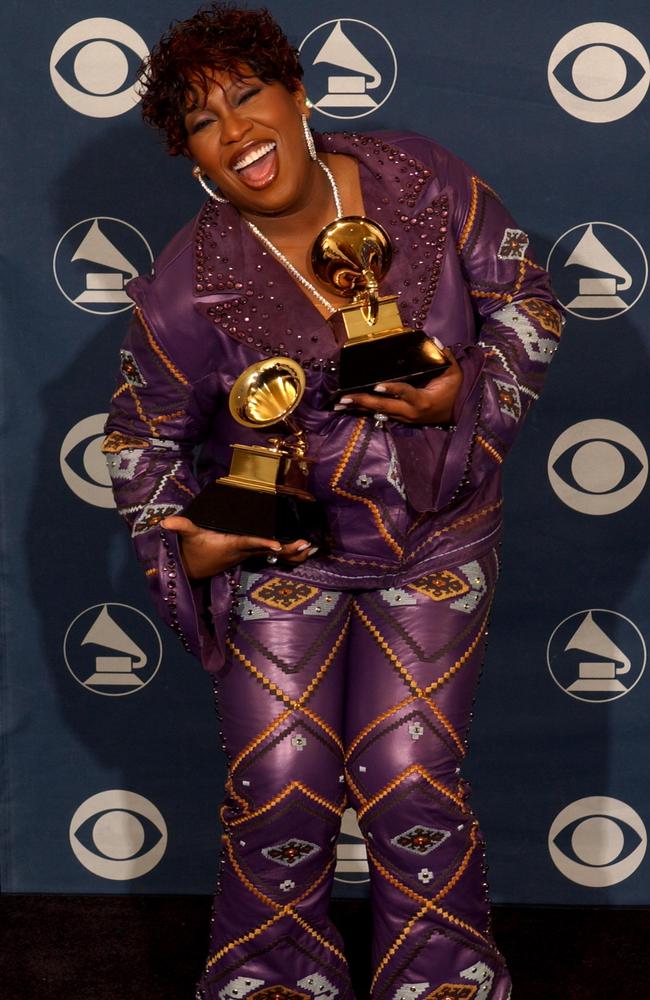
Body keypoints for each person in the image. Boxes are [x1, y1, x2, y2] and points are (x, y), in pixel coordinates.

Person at [103, 5, 562, 999]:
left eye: (246, 96)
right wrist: (190, 545)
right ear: (191, 157)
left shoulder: (419, 180)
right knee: (278, 784)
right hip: (285, 562)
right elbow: (139, 442)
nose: (234, 131)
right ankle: (272, 975)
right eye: (200, 122)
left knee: (408, 774)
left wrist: (461, 395)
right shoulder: (183, 289)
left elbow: (524, 296)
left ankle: (438, 973)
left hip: (435, 541)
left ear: (298, 93)